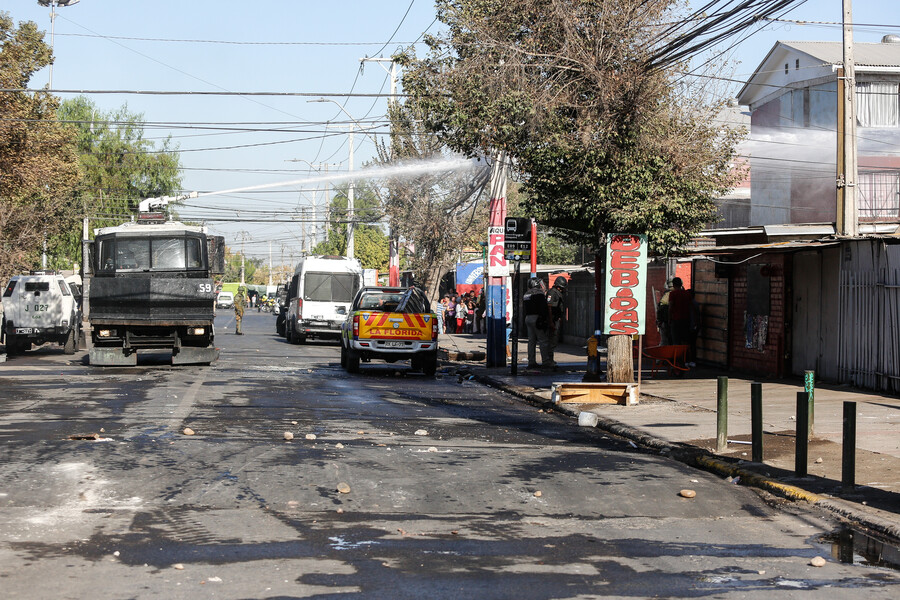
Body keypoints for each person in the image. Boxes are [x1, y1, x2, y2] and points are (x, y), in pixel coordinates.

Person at [523, 277, 552, 370]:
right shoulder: (539, 294)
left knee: (531, 341)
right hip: (537, 318)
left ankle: (531, 361)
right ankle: (546, 362)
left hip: (528, 318)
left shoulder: (526, 294)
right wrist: (544, 319)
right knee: (543, 341)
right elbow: (543, 308)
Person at [546, 276, 568, 368]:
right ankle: (548, 360)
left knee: (554, 340)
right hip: (552, 320)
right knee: (551, 340)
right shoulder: (552, 293)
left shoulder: (557, 293)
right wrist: (551, 321)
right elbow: (549, 307)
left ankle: (550, 359)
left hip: (556, 319)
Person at [667, 277, 692, 346]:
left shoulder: (672, 294)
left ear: (673, 285)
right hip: (686, 319)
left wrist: (669, 319)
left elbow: (670, 307)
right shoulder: (687, 294)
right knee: (685, 340)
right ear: (681, 284)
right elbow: (691, 307)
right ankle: (685, 355)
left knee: (676, 341)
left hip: (676, 320)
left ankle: (677, 356)